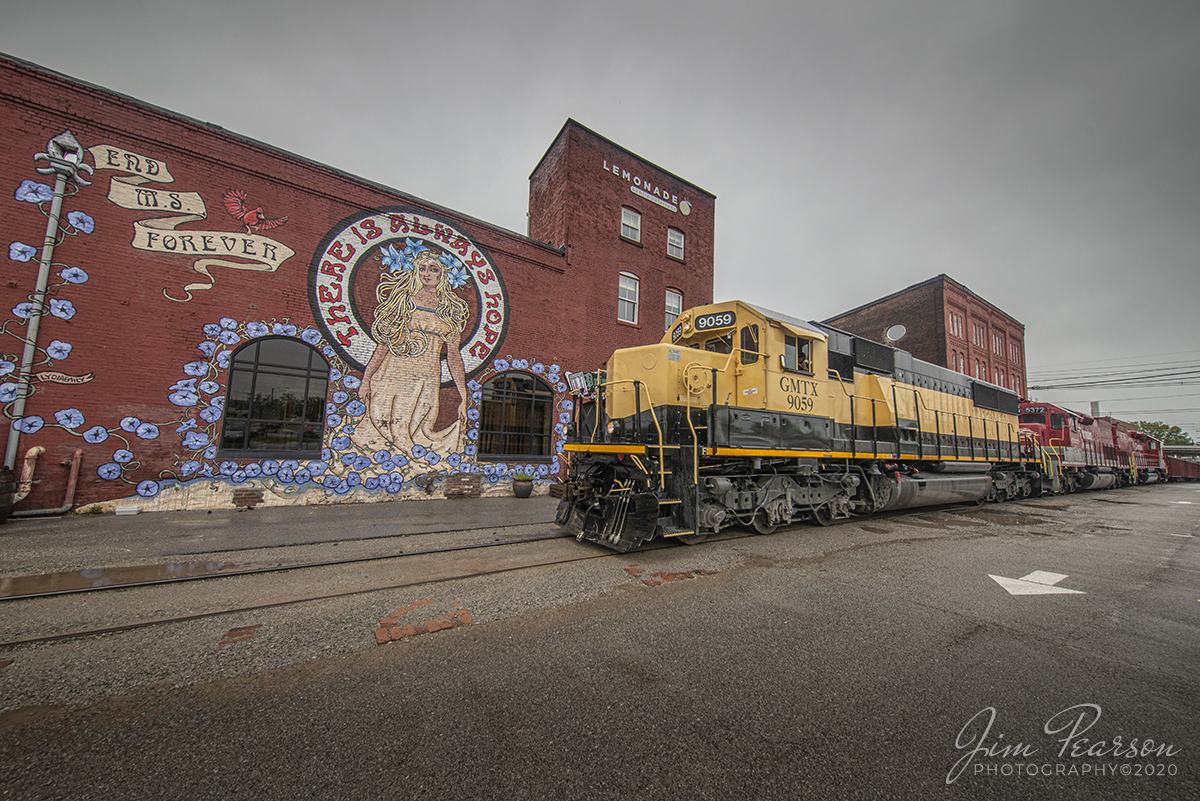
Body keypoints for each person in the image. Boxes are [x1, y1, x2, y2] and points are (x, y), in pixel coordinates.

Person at [356, 247, 469, 459]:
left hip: (427, 377)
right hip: (393, 372)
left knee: (419, 427)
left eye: (433, 269)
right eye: (422, 269)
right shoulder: (403, 301)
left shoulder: (450, 311)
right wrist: (366, 379)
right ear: (415, 272)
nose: (427, 274)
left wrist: (463, 395)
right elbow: (383, 346)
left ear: (442, 274)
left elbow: (454, 357)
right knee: (383, 425)